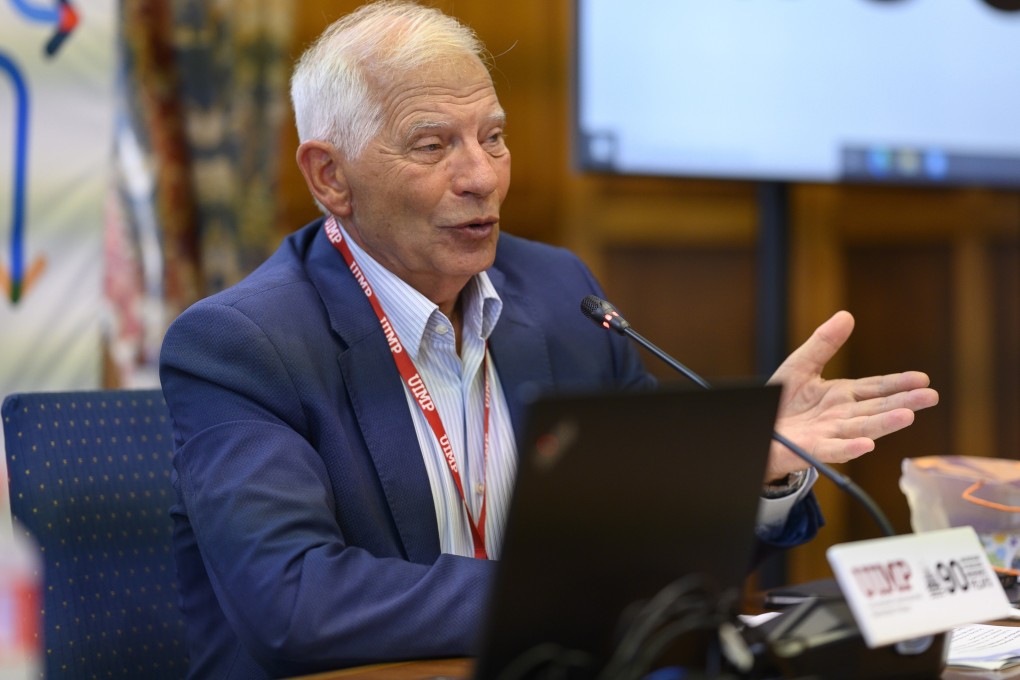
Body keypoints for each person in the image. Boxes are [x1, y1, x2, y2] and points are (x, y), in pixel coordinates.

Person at [158, 2, 940, 678]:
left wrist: (751, 469)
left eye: (492, 138)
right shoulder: (242, 344)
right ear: (330, 177)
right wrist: (581, 590)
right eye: (434, 146)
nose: (483, 177)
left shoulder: (563, 296)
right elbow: (296, 602)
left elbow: (667, 552)